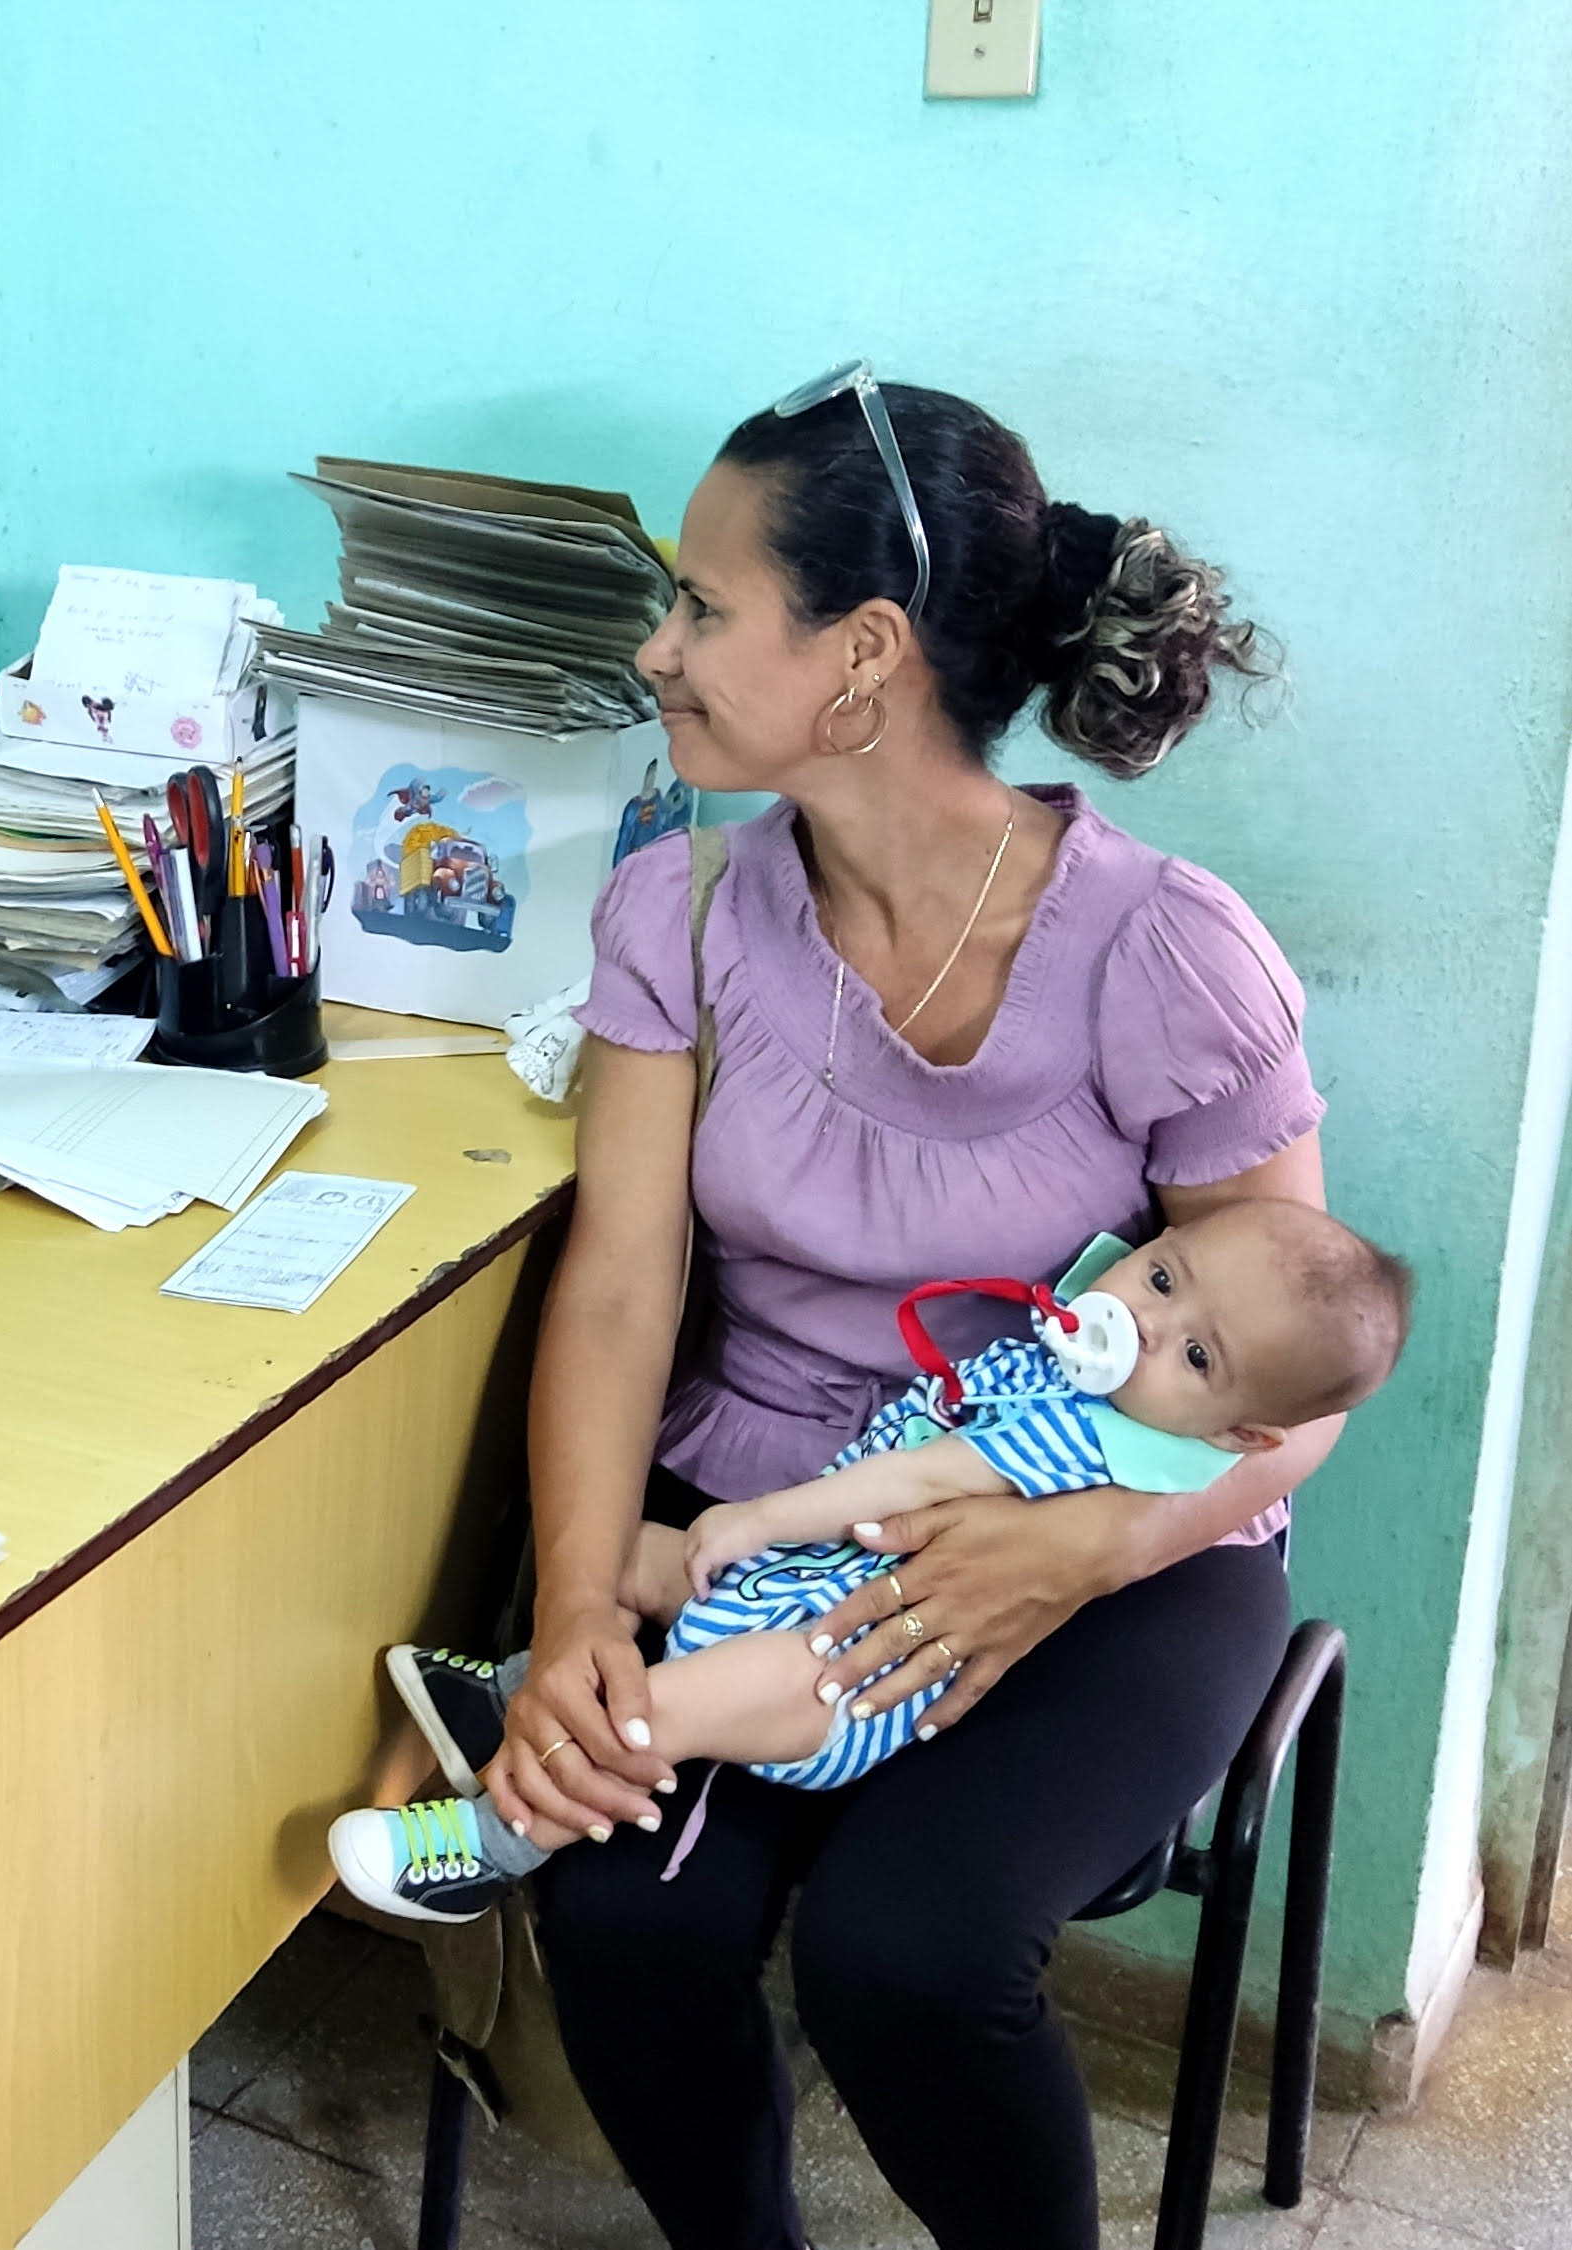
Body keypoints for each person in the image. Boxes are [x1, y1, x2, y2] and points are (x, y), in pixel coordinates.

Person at [484, 368, 1311, 2250]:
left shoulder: (1161, 951)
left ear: (859, 654)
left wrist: (1076, 1553)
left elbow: (1300, 1384)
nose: (655, 648)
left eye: (699, 606)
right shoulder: (675, 920)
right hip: (769, 1513)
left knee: (908, 1951)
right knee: (616, 1899)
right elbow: (619, 1292)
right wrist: (568, 1607)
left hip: (1120, 1528)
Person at [328, 1198, 1410, 1922]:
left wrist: (758, 1519)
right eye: (1164, 1278)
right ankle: (513, 1690)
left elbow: (916, 1480)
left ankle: (491, 1843)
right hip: (806, 1583)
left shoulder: (1106, 1445)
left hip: (844, 1665)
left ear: (1236, 1435)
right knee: (615, 1555)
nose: (1143, 1322)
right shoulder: (1069, 1352)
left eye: (1199, 1355)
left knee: (669, 1704)